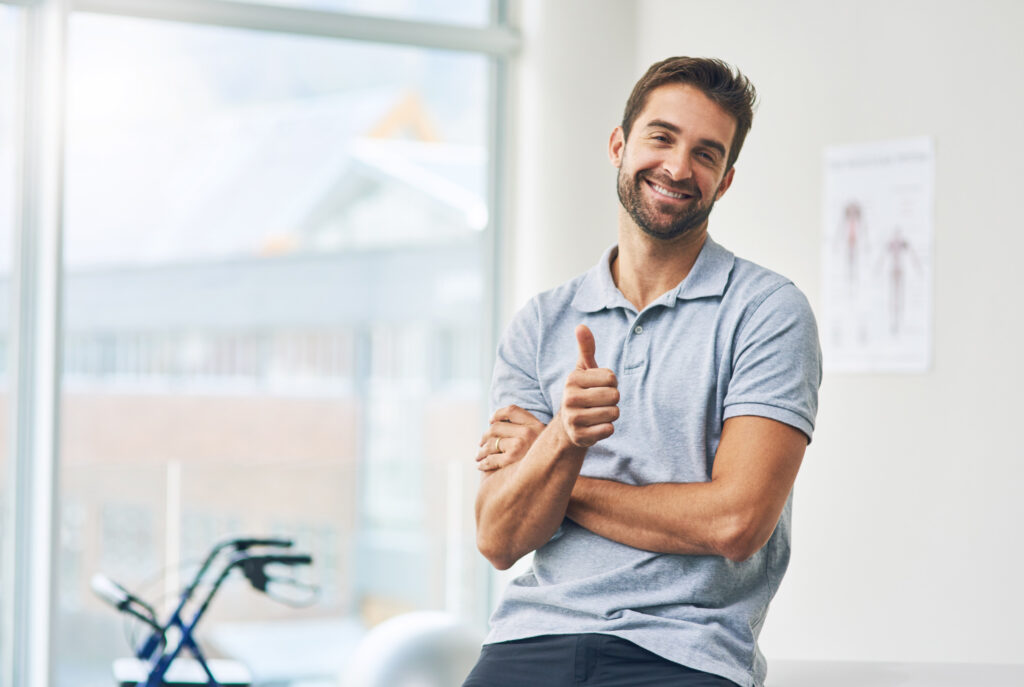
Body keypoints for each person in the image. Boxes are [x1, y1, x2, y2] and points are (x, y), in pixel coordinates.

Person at [463, 57, 822, 687]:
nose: (679, 168)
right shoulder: (542, 322)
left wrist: (555, 462)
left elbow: (735, 524)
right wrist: (562, 438)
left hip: (685, 652)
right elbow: (499, 538)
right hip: (532, 637)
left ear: (726, 180)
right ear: (618, 145)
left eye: (706, 154)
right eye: (662, 137)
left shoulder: (768, 312)